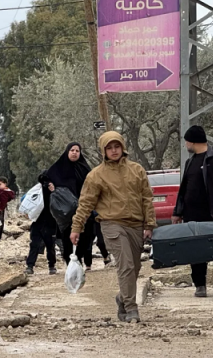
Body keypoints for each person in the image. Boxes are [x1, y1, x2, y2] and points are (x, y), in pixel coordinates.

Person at [70, 132, 155, 323]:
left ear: (123, 147)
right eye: (109, 148)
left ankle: (122, 299)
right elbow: (85, 204)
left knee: (134, 267)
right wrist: (77, 227)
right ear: (103, 151)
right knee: (126, 265)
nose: (114, 151)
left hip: (135, 225)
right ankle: (132, 309)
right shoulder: (96, 175)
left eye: (116, 146)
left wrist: (149, 223)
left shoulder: (137, 170)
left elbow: (147, 198)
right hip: (111, 224)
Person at [171, 126, 213, 299]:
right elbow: (184, 189)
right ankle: (200, 285)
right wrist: (178, 212)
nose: (185, 144)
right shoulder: (190, 161)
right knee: (196, 250)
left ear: (191, 141)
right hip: (193, 216)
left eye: (186, 141)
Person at [43, 142, 95, 269]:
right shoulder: (59, 167)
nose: (74, 153)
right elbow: (44, 177)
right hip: (66, 211)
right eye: (72, 150)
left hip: (84, 208)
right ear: (67, 152)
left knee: (87, 235)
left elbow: (94, 183)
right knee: (67, 237)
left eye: (77, 151)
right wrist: (49, 184)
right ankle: (71, 262)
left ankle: (79, 257)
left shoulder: (84, 168)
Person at [25, 170, 59, 275]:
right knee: (34, 244)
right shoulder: (38, 189)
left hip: (51, 221)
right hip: (37, 221)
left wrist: (54, 191)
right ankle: (30, 266)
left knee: (50, 245)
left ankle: (52, 265)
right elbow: (27, 199)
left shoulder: (57, 189)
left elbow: (60, 203)